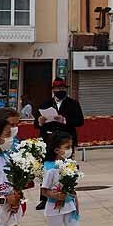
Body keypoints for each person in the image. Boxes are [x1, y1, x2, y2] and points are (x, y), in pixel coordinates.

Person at [39, 131, 95, 226]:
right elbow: (44, 190)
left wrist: (74, 200)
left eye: (71, 147)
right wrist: (54, 195)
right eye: (67, 147)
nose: (71, 150)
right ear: (57, 150)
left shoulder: (70, 165)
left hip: (69, 206)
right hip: (54, 208)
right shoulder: (50, 168)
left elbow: (72, 187)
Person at [36, 78, 84, 210]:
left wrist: (64, 120)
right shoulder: (46, 103)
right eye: (58, 89)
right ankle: (45, 197)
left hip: (66, 139)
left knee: (66, 168)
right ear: (53, 90)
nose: (60, 91)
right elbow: (37, 122)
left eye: (63, 89)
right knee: (46, 169)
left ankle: (67, 194)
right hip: (49, 140)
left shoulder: (72, 103)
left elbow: (80, 121)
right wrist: (40, 122)